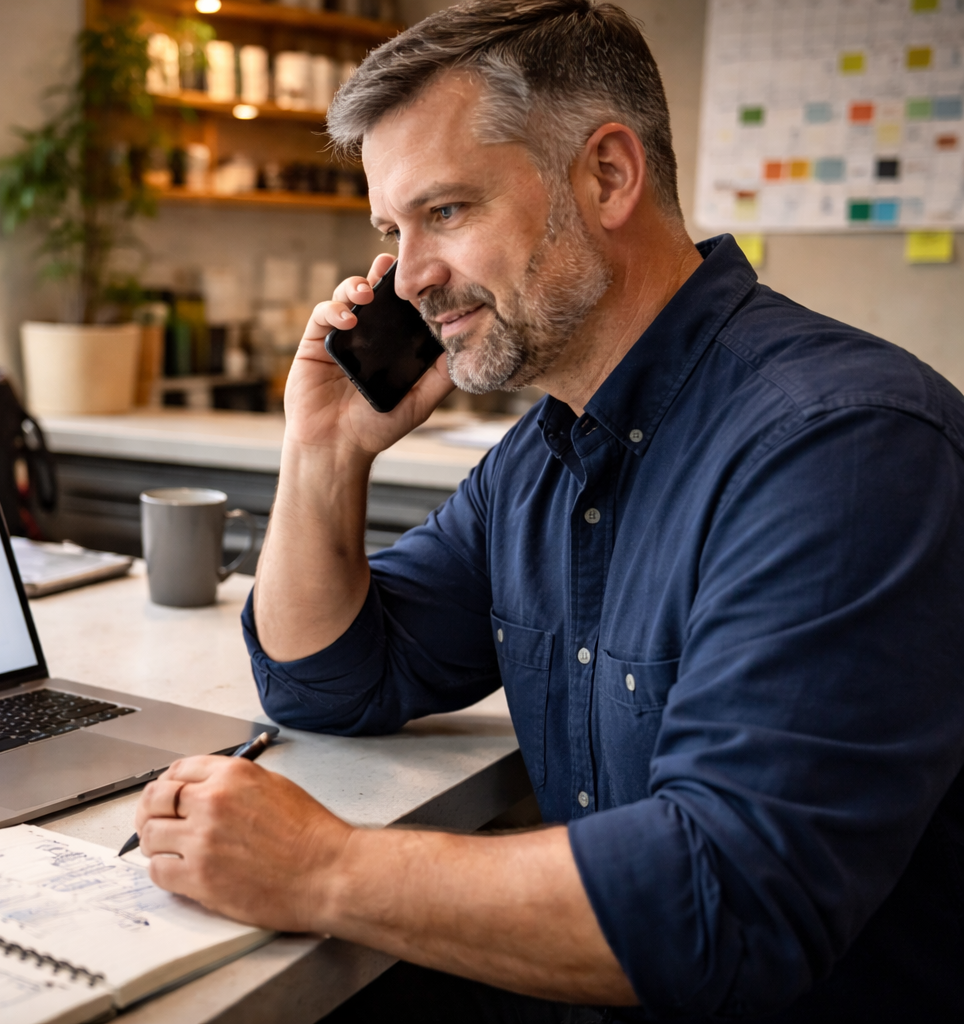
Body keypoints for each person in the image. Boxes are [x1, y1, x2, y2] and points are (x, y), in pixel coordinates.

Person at [130, 1, 964, 1020]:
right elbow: (326, 678)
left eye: (445, 212)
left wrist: (322, 869)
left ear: (607, 176)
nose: (413, 279)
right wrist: (322, 452)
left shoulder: (842, 444)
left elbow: (729, 903)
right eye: (392, 230)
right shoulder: (542, 456)